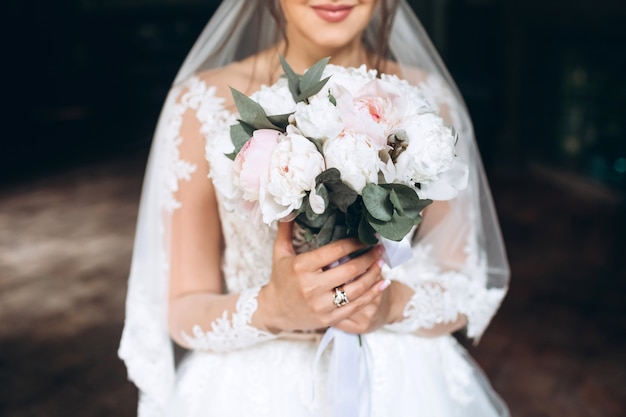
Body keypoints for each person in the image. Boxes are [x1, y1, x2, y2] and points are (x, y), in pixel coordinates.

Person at [119, 1, 511, 416]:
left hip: (403, 384)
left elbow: (464, 284)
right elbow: (182, 308)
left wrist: (390, 305)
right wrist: (272, 308)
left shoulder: (430, 101)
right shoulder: (199, 106)